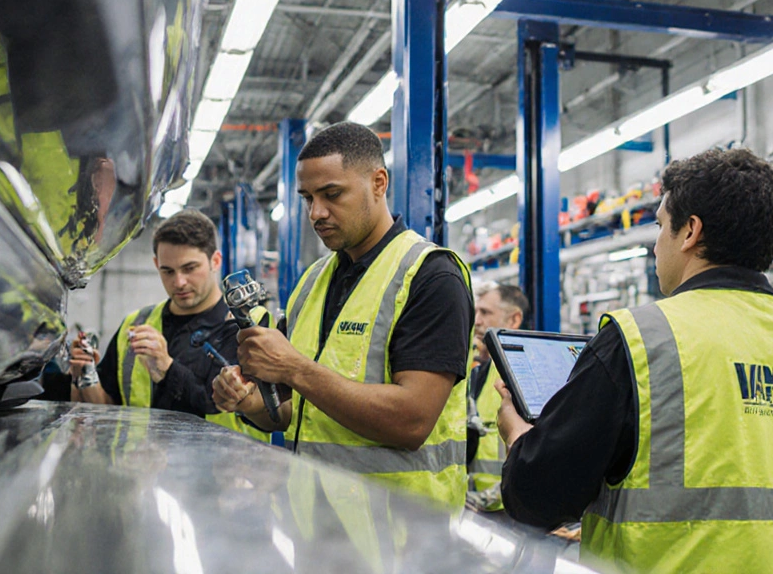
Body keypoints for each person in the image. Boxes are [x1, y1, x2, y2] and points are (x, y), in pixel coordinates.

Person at [496, 148, 773, 573]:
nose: (655, 246)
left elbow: (537, 499)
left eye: (658, 226)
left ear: (689, 232)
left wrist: (518, 435)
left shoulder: (639, 341)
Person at [212, 122, 474, 509]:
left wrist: (294, 368)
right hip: (319, 533)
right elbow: (295, 414)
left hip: (405, 543)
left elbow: (412, 421)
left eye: (332, 194)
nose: (316, 213)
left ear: (378, 183)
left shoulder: (431, 276)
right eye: (307, 198)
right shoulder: (311, 285)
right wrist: (248, 403)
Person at [70, 210, 264, 438]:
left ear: (215, 261)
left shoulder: (248, 326)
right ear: (156, 264)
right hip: (141, 468)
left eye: (190, 268)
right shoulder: (135, 324)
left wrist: (167, 368)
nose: (179, 282)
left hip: (221, 469)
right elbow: (108, 410)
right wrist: (84, 374)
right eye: (168, 271)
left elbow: (222, 406)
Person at [466, 282, 527, 513]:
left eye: (486, 313)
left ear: (513, 320)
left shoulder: (520, 375)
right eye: (476, 312)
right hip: (477, 508)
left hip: (507, 510)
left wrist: (486, 498)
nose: (477, 321)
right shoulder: (479, 368)